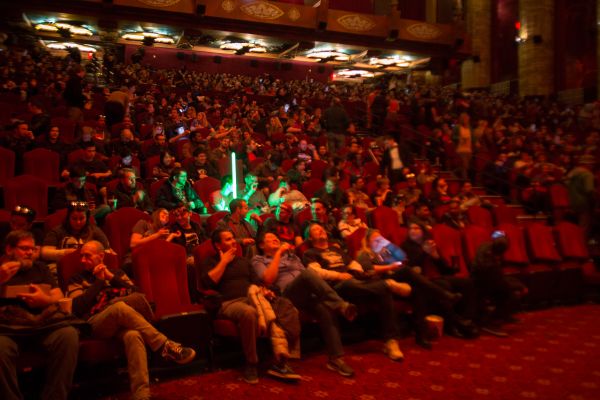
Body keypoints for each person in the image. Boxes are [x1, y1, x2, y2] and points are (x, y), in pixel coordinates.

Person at [67, 240, 196, 400]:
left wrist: (111, 277)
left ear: (100, 256)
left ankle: (141, 394)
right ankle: (165, 345)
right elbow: (77, 307)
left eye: (87, 256)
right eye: (81, 256)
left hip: (123, 323)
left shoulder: (117, 273)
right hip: (95, 323)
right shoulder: (76, 278)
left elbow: (137, 295)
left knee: (133, 336)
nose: (82, 260)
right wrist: (99, 282)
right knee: (119, 307)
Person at [199, 228, 301, 384]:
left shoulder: (243, 261)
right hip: (228, 303)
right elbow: (208, 282)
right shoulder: (211, 261)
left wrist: (264, 291)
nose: (233, 241)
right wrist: (224, 262)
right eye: (228, 239)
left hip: (253, 298)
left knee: (285, 306)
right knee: (249, 312)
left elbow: (257, 282)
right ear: (218, 245)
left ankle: (280, 360)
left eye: (233, 238)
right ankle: (251, 363)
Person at [253, 231, 358, 377]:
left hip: (307, 294)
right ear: (262, 245)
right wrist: (278, 254)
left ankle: (336, 359)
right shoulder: (258, 260)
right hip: (287, 295)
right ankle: (340, 304)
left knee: (324, 310)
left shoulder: (293, 257)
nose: (275, 239)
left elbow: (310, 278)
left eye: (276, 237)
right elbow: (268, 279)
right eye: (269, 238)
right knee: (308, 274)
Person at [302, 223, 405, 361]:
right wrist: (339, 275)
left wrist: (359, 272)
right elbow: (317, 273)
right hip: (336, 288)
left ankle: (391, 341)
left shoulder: (336, 249)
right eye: (315, 229)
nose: (320, 229)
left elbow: (352, 264)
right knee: (358, 284)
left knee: (383, 292)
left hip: (355, 283)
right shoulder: (310, 253)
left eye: (321, 228)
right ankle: (387, 284)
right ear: (310, 238)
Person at [0, 230, 79, 400]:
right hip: (9, 329)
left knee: (68, 335)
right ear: (9, 249)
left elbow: (58, 295)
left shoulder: (41, 268)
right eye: (24, 248)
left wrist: (45, 300)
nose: (30, 252)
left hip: (42, 325)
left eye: (32, 249)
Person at [401, 222, 479, 339]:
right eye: (410, 228)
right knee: (444, 285)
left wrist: (436, 256)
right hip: (423, 280)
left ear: (423, 231)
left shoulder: (430, 244)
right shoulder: (405, 246)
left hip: (438, 276)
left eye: (417, 228)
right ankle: (453, 325)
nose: (413, 230)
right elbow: (410, 268)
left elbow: (446, 270)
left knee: (467, 283)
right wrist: (424, 253)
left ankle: (467, 319)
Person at [471, 231, 527, 336]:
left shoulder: (485, 246)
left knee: (509, 286)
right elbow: (498, 280)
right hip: (483, 282)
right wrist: (520, 286)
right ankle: (493, 321)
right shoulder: (490, 263)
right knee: (510, 294)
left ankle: (502, 315)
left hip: (485, 279)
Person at [42, 201, 111, 264]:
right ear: (68, 218)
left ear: (87, 218)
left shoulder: (94, 230)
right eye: (74, 218)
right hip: (63, 265)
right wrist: (64, 253)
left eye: (81, 218)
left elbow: (108, 250)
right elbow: (44, 253)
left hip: (88, 266)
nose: (78, 222)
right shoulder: (58, 230)